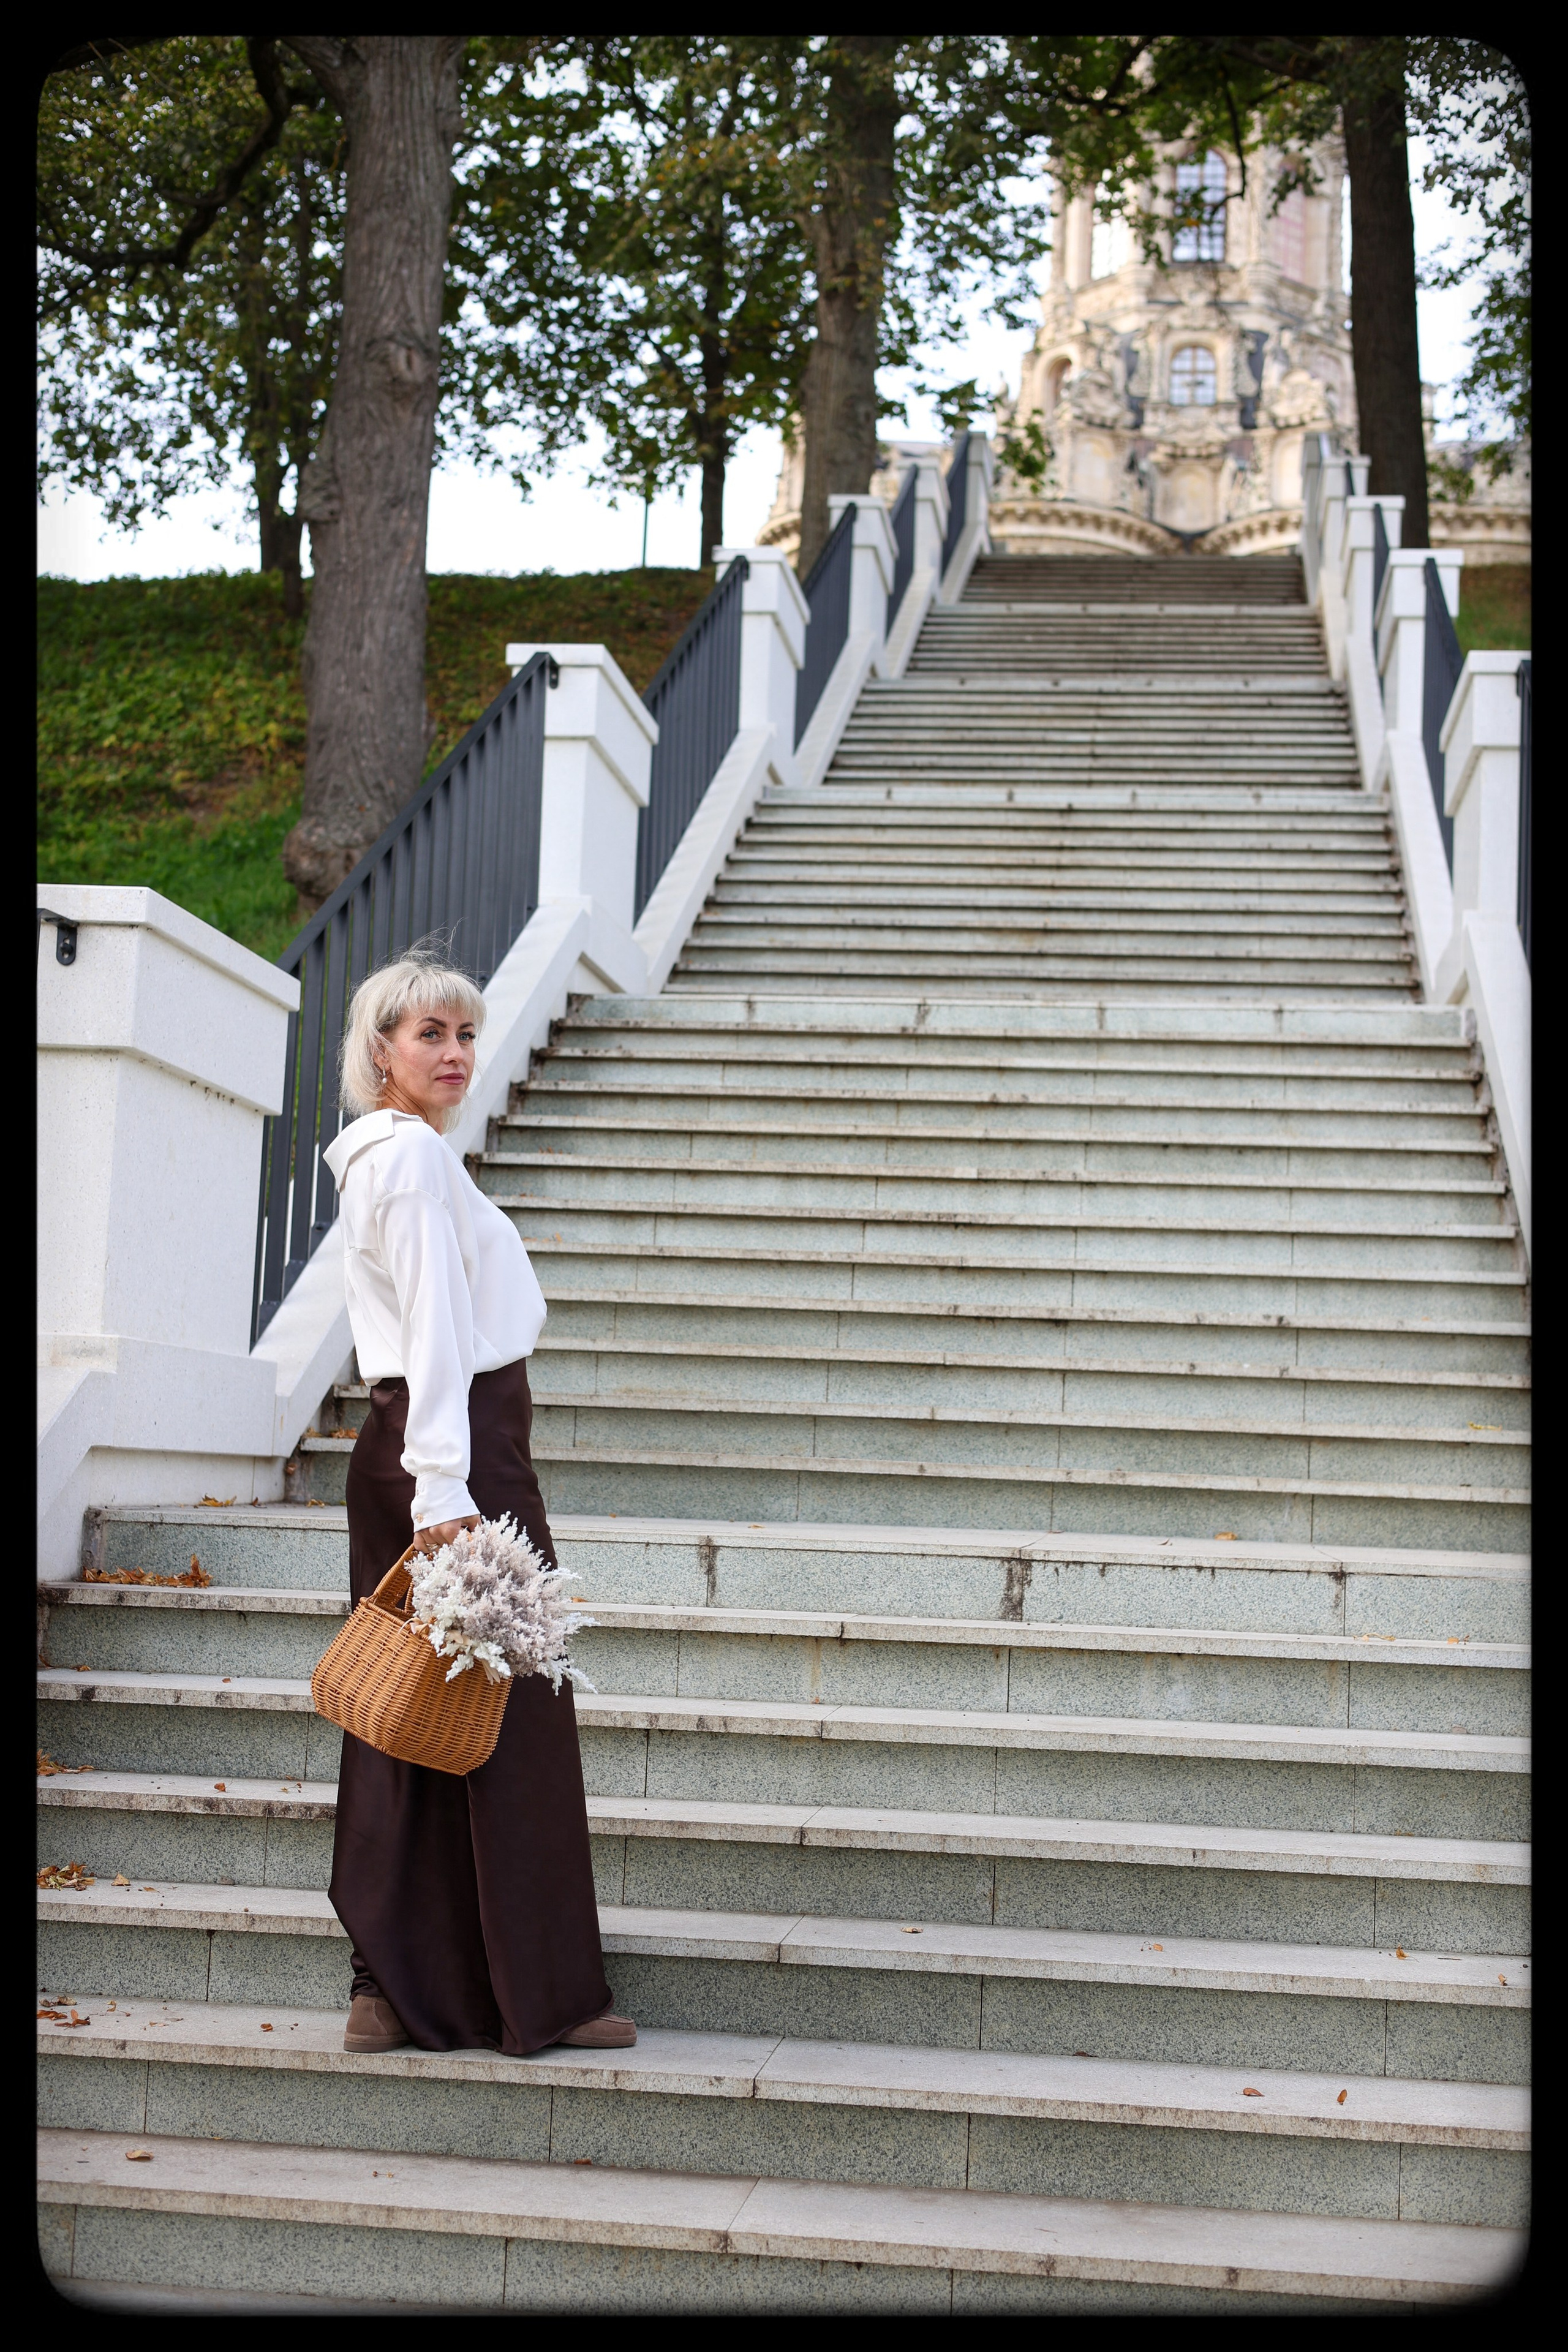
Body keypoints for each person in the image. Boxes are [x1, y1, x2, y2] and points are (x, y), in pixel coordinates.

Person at [319, 947, 635, 2057]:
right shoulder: (403, 1160)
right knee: (499, 1717)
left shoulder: (401, 1159)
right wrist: (445, 1494)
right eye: (428, 1037)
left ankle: (403, 1988)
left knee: (419, 1715)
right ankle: (515, 1992)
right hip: (451, 1463)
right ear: (381, 1055)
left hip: (442, 1453)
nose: (453, 1054)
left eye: (463, 1034)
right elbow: (439, 1339)